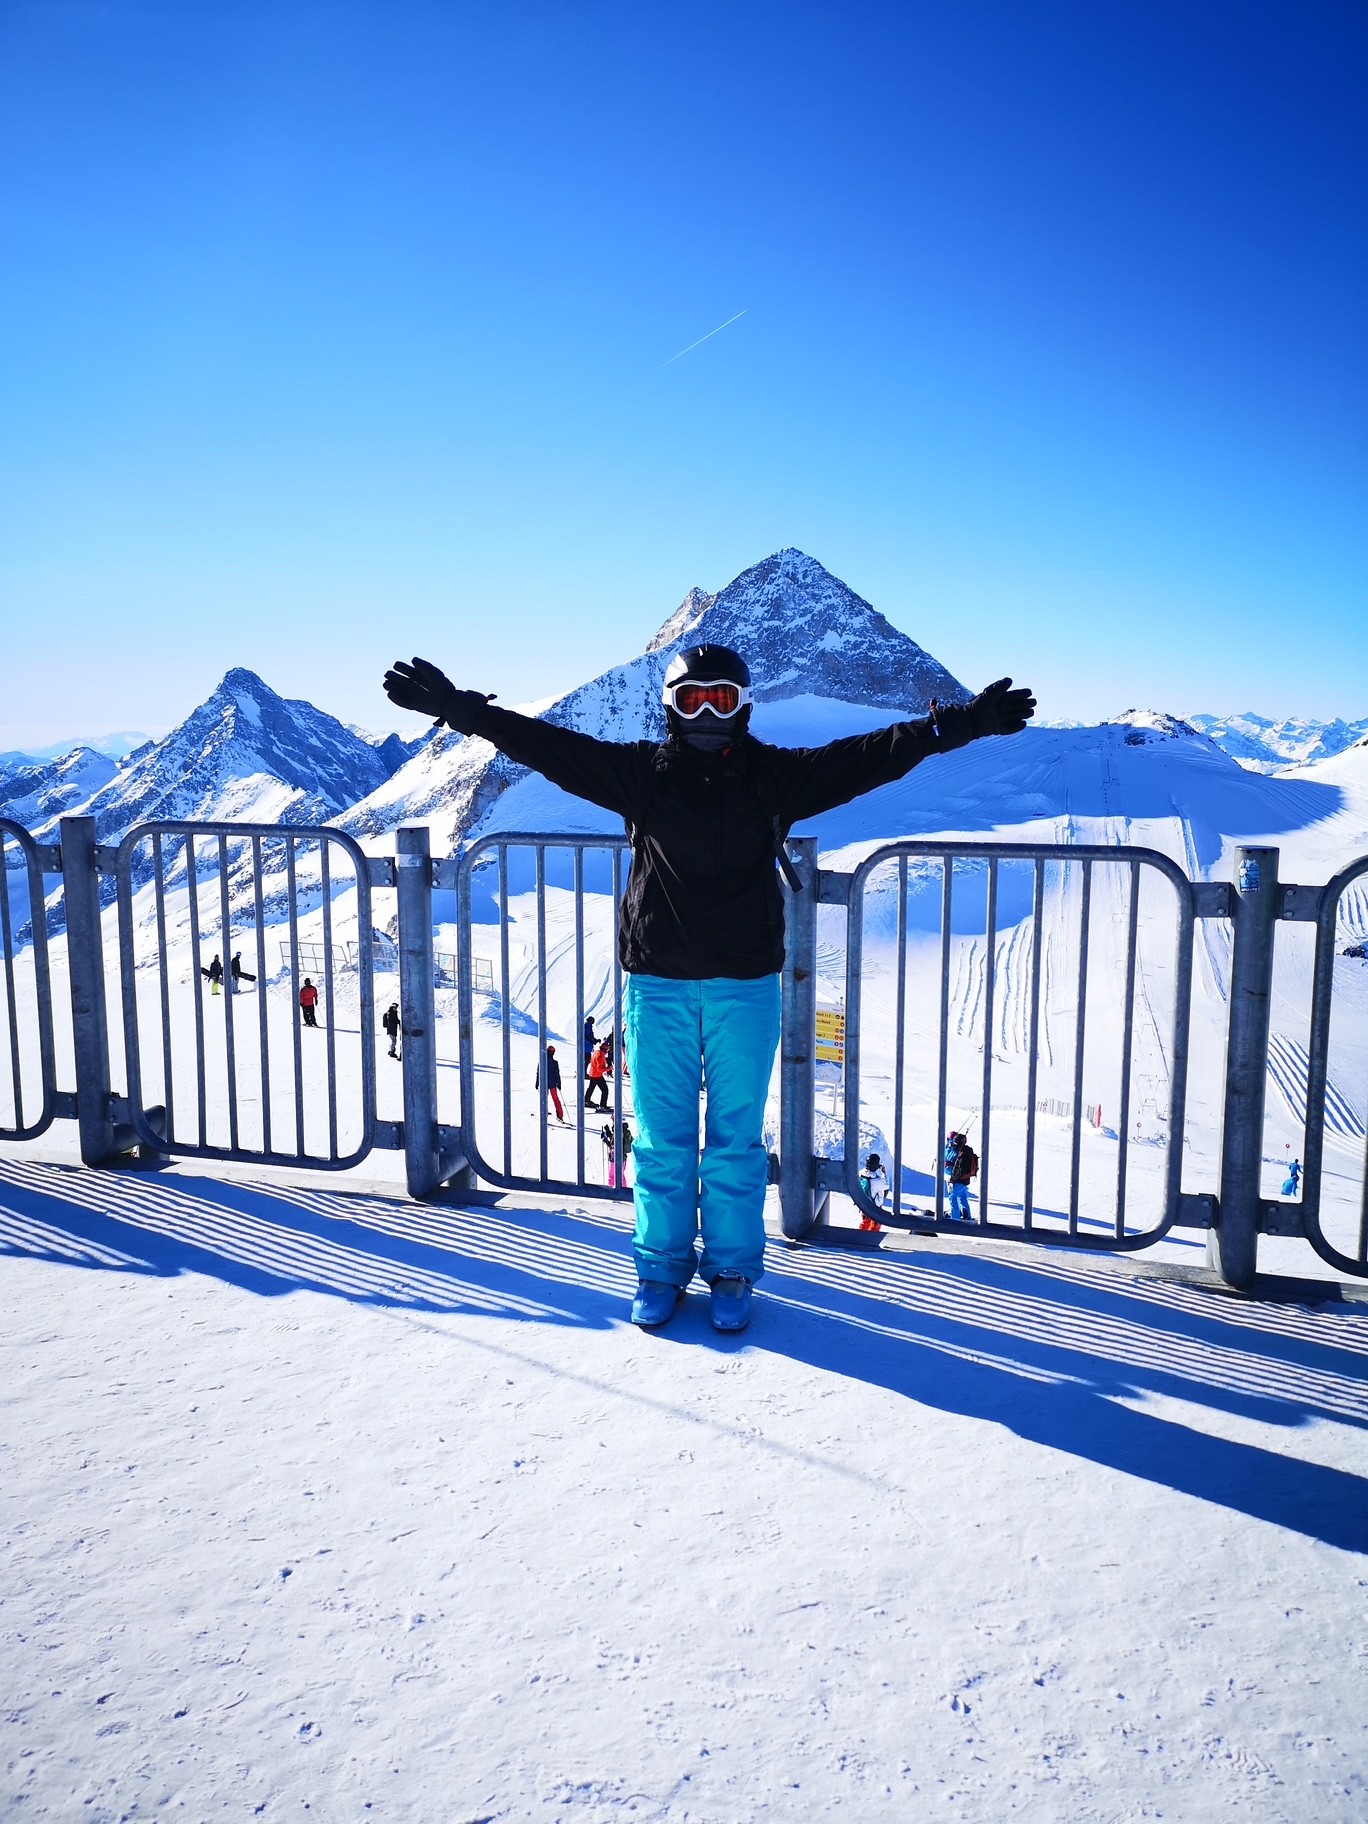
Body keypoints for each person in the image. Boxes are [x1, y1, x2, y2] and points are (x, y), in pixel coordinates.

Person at [384, 643, 1033, 1334]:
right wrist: (460, 711)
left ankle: (730, 1270)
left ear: (743, 705)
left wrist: (957, 725)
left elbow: (868, 756)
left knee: (734, 1141)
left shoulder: (773, 778)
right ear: (671, 705)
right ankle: (658, 1267)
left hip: (744, 985)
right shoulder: (640, 775)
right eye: (693, 698)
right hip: (659, 984)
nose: (707, 712)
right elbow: (550, 747)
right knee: (662, 1141)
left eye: (721, 698)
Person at [944, 1131, 978, 1221]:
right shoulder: (966, 1151)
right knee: (962, 1198)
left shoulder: (955, 1152)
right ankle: (967, 1216)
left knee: (953, 1198)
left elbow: (947, 1162)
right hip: (965, 1180)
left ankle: (955, 1219)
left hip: (955, 1179)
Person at [858, 1152, 887, 1232]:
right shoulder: (876, 1180)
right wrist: (883, 1173)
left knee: (865, 1223)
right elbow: (886, 1185)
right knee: (875, 1224)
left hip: (863, 1203)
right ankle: (871, 1240)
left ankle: (859, 1238)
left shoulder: (860, 1174)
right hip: (875, 1205)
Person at [537, 1043, 566, 1122]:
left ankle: (544, 1114)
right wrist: (559, 1083)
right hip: (553, 1084)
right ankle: (560, 1115)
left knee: (544, 1099)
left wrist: (537, 1082)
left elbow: (539, 1072)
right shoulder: (555, 1063)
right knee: (556, 1099)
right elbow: (557, 1074)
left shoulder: (542, 1061)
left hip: (544, 1083)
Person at [602, 1118, 634, 1188]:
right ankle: (625, 1193)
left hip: (615, 1158)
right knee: (621, 1176)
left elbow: (613, 1145)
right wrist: (608, 1132)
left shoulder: (618, 1132)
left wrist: (605, 1140)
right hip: (623, 1158)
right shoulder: (625, 1132)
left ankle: (610, 1194)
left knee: (612, 1176)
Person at [585, 1039, 612, 1111]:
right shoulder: (600, 1056)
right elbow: (600, 1069)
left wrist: (606, 1060)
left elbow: (597, 1060)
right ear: (605, 1050)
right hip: (597, 1075)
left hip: (592, 1073)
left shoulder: (597, 1052)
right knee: (605, 1090)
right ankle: (603, 1106)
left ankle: (586, 1100)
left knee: (591, 1087)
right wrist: (609, 1068)